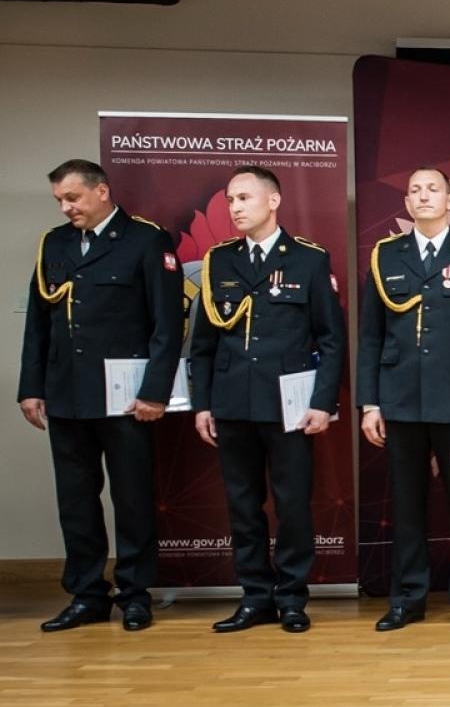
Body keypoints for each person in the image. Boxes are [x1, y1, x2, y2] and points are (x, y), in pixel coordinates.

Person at [18, 159, 184, 632]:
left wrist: (155, 392)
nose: (65, 208)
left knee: (132, 498)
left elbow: (167, 325)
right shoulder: (55, 244)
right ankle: (87, 594)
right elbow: (39, 323)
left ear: (102, 191)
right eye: (60, 200)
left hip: (125, 398)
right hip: (66, 393)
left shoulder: (146, 240)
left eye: (72, 198)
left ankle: (135, 594)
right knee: (75, 501)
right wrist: (31, 388)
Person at [190, 166, 345, 633]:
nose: (235, 208)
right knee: (243, 506)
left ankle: (292, 598)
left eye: (244, 198)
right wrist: (203, 404)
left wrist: (323, 402)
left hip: (290, 406)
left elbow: (331, 339)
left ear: (273, 201)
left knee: (293, 505)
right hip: (232, 402)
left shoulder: (308, 259)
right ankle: (255, 597)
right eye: (230, 200)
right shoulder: (219, 261)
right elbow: (202, 343)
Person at [358, 167, 450, 632]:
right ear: (406, 203)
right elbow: (371, 336)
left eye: (433, 189)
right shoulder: (386, 256)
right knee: (406, 505)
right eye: (415, 191)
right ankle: (407, 599)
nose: (423, 196)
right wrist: (370, 404)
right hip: (400, 401)